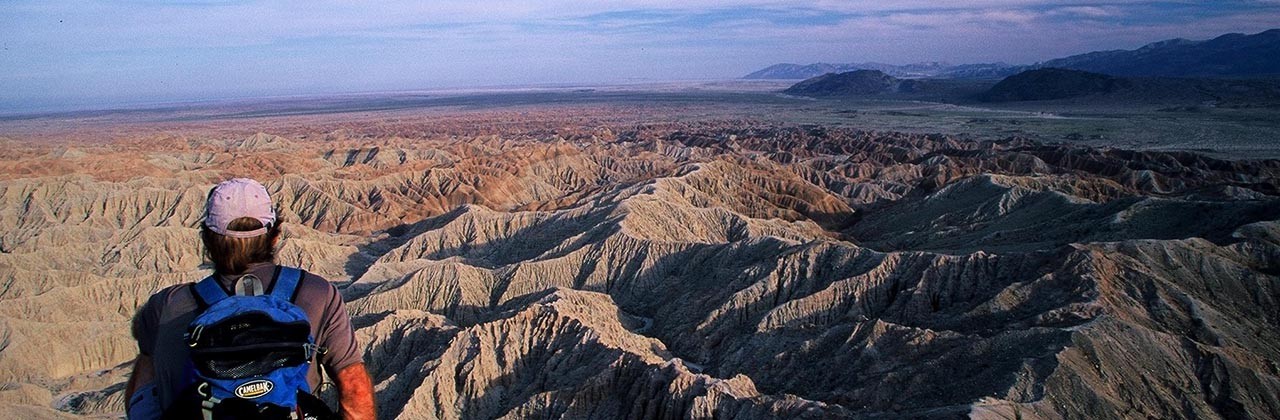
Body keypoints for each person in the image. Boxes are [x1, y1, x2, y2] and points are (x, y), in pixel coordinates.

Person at [124, 178, 375, 419]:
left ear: (206, 239)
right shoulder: (317, 294)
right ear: (275, 236)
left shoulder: (166, 306)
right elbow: (354, 388)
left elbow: (142, 398)